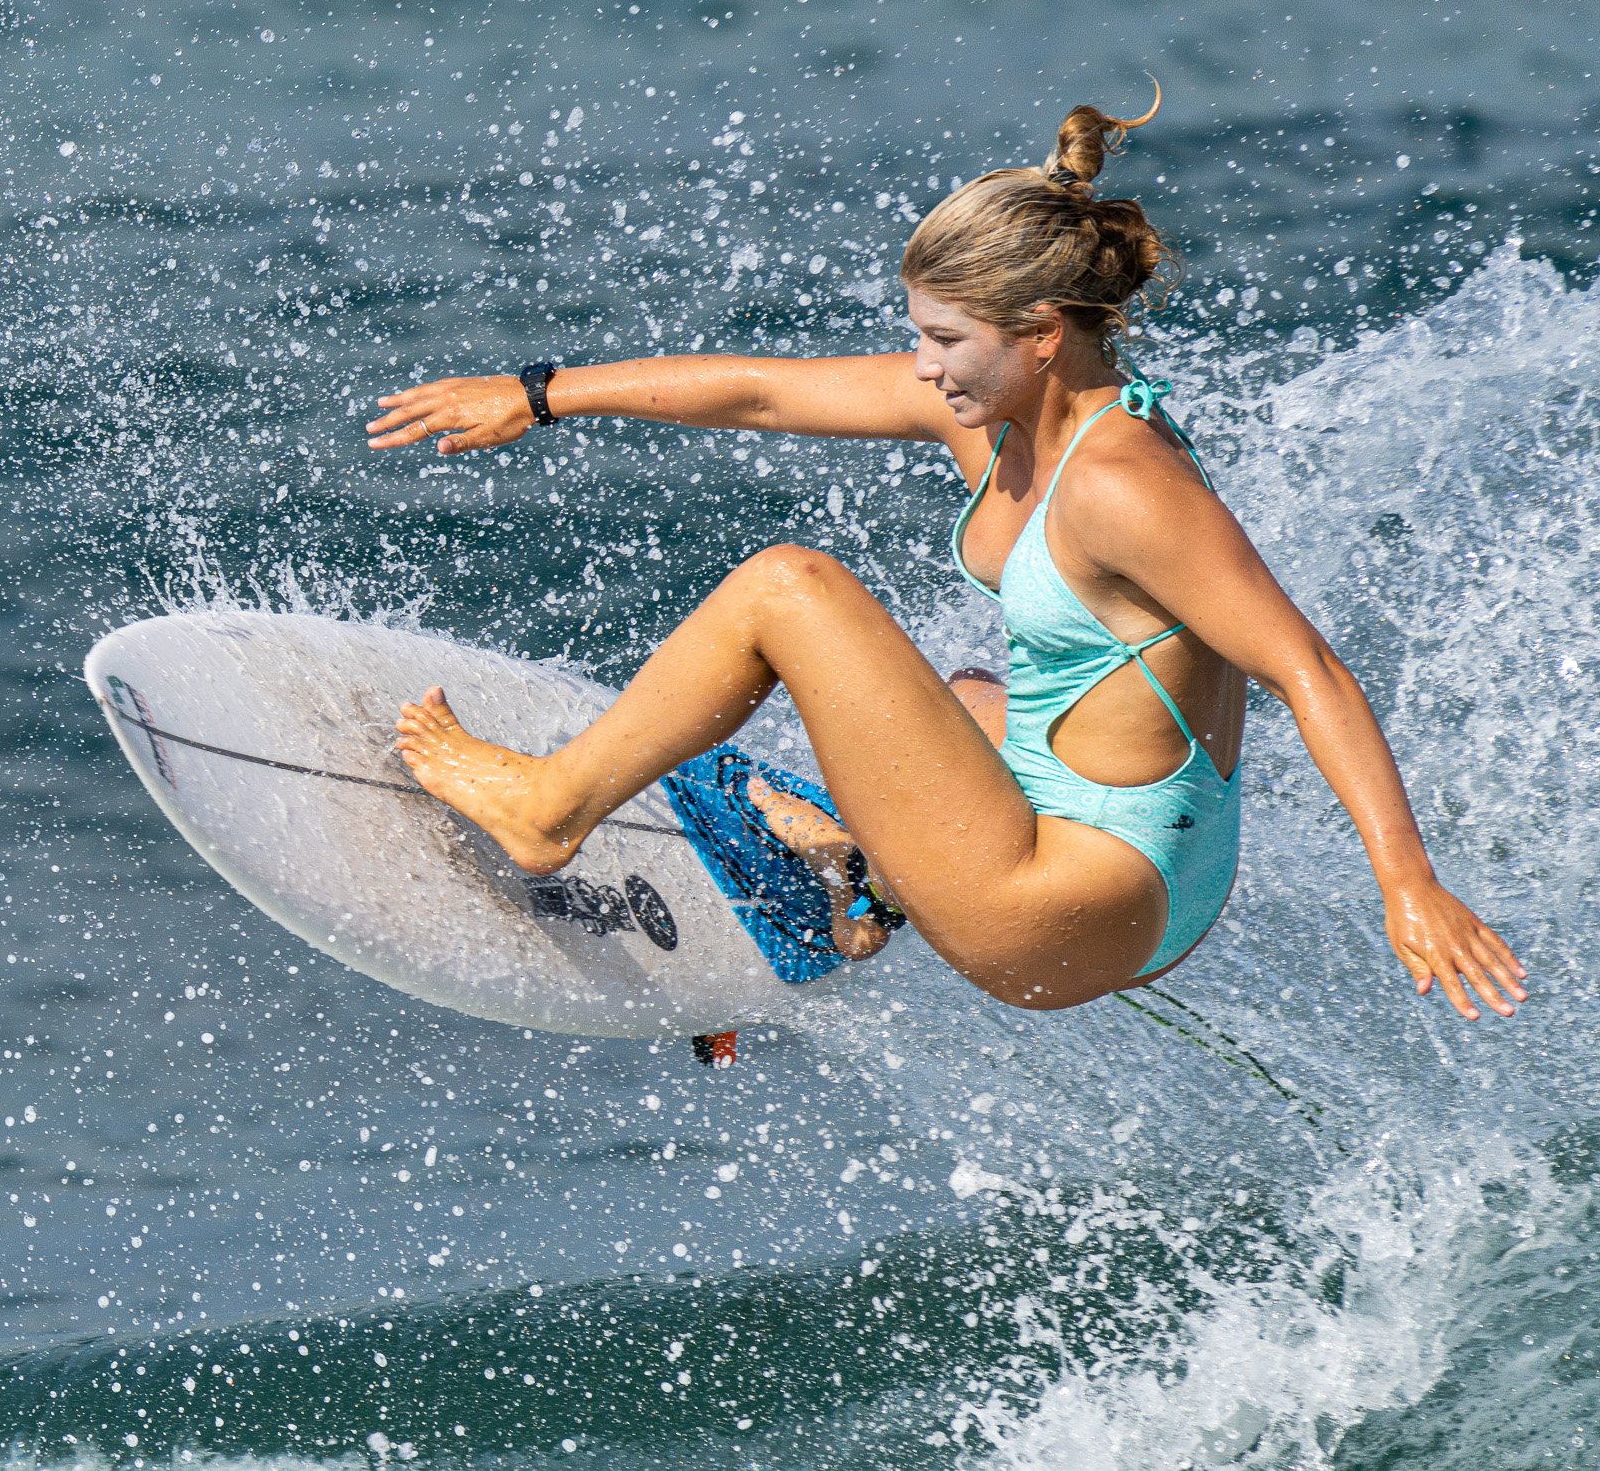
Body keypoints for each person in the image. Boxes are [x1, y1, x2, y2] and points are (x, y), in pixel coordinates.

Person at [364, 100, 1526, 1020]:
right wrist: (536, 393)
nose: (920, 366)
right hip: (1136, 873)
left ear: (1039, 335)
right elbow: (764, 390)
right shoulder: (1011, 410)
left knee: (790, 587)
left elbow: (1306, 668)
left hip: (1070, 909)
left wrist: (1406, 883)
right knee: (964, 690)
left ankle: (548, 805)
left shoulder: (1122, 481)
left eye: (941, 339)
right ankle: (864, 881)